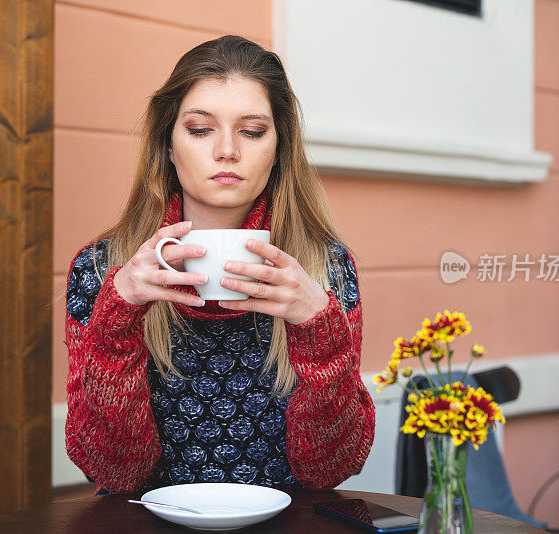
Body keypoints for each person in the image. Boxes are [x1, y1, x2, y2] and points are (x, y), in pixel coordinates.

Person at [64, 35, 375, 496]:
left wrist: (318, 327)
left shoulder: (324, 268)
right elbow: (112, 473)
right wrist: (118, 316)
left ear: (279, 148)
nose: (227, 150)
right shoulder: (102, 269)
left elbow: (333, 469)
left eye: (251, 131)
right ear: (167, 145)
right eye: (199, 129)